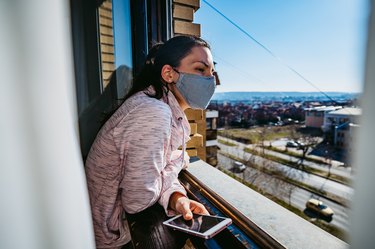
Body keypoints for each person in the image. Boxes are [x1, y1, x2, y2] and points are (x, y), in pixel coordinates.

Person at [85, 35, 216, 249]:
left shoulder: (160, 108)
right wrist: (178, 160)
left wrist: (175, 197)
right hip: (111, 240)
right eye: (201, 69)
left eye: (212, 71)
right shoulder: (153, 113)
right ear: (169, 73)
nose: (210, 80)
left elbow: (155, 172)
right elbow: (138, 199)